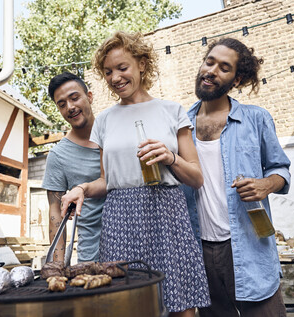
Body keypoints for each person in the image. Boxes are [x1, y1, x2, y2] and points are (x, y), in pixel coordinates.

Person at [60, 31, 210, 317]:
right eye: (108, 72)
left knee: (181, 303)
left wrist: (170, 157)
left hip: (167, 214)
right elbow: (107, 180)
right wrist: (82, 188)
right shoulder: (104, 120)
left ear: (141, 64)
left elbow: (196, 177)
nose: (115, 77)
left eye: (122, 67)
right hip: (120, 218)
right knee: (125, 305)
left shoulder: (172, 111)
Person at [182, 37, 291, 317]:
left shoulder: (256, 119)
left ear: (237, 79)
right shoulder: (179, 125)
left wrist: (266, 184)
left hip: (248, 246)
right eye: (209, 62)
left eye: (224, 68)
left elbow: (280, 169)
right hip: (199, 249)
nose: (212, 71)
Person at [42, 72, 105, 263]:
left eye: (74, 98)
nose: (70, 107)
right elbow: (55, 213)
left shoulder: (114, 134)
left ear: (90, 96)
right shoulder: (58, 156)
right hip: (92, 255)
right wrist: (58, 266)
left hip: (133, 245)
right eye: (62, 104)